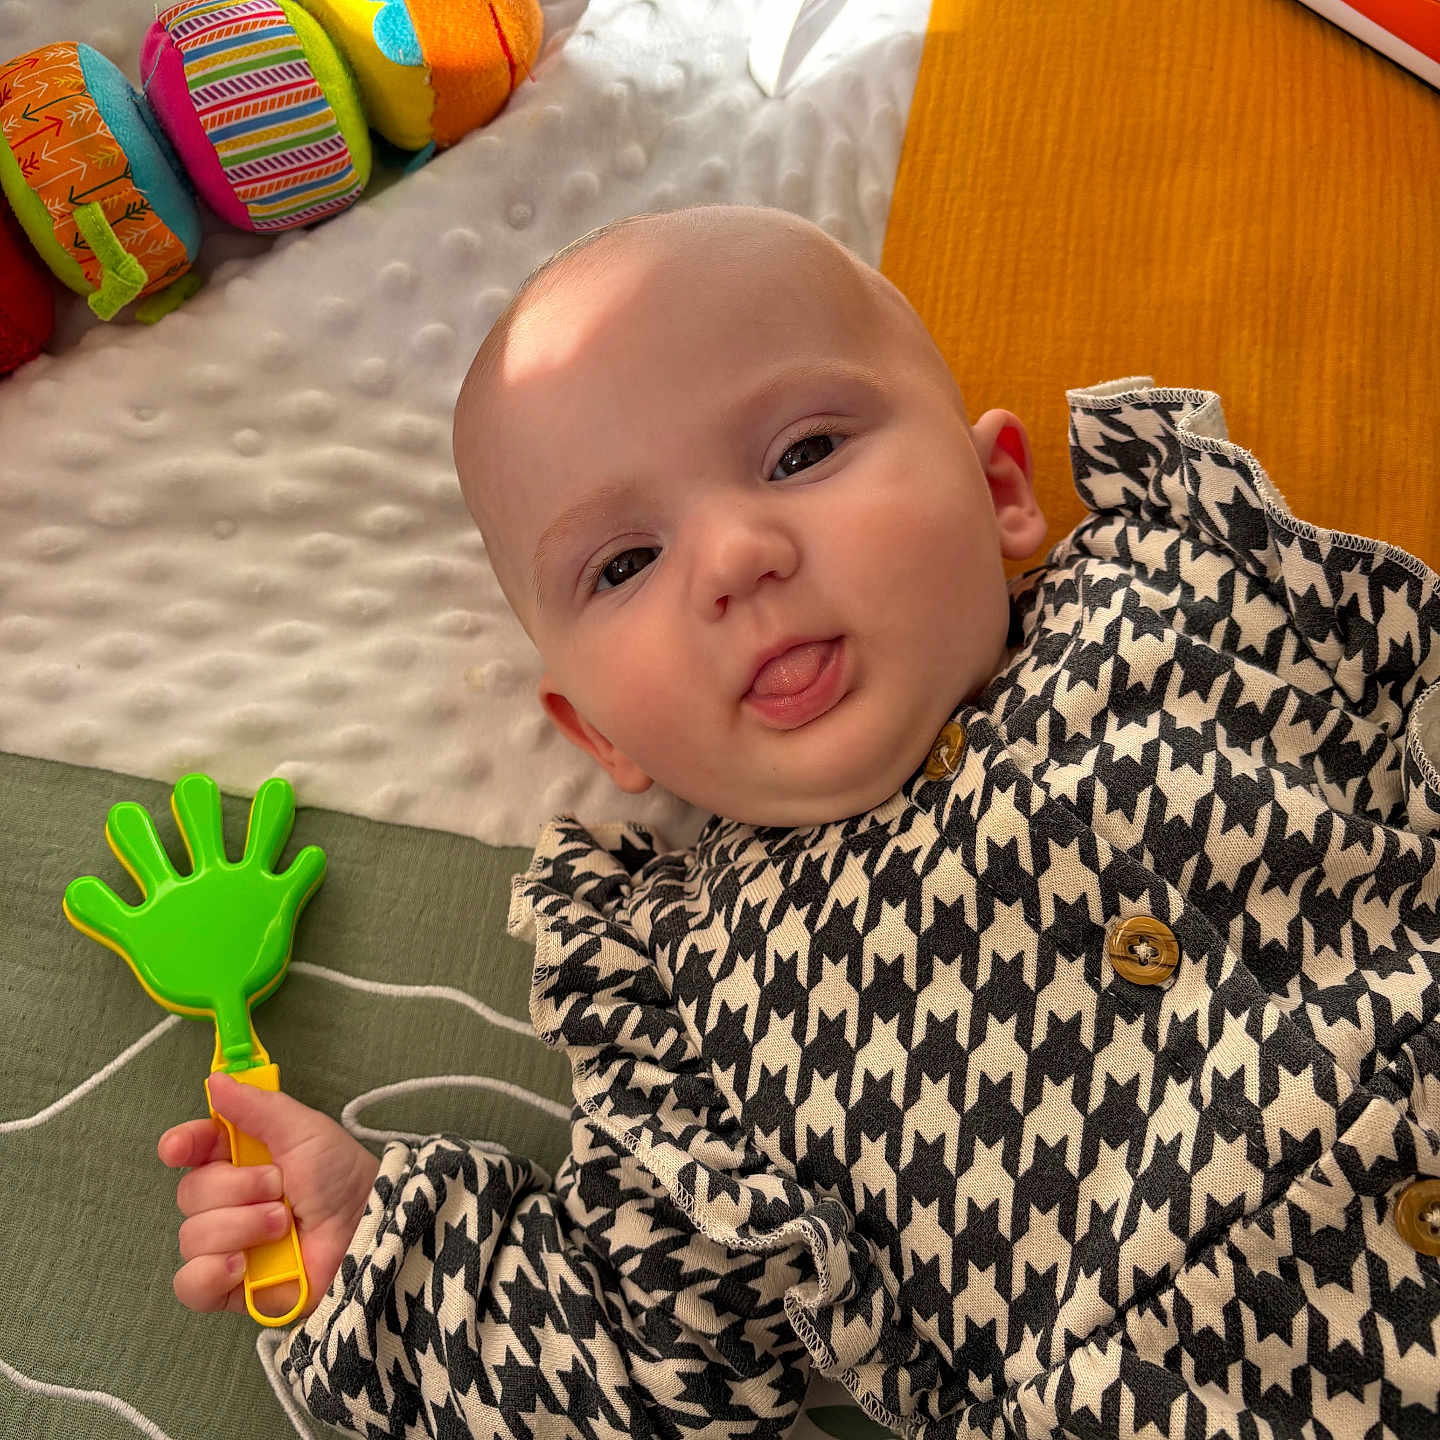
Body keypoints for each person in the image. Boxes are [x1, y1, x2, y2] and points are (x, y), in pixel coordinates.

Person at [158, 205, 1440, 1438]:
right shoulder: (689, 1001)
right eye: (623, 564)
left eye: (802, 453)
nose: (733, 556)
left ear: (1001, 490)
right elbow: (650, 1368)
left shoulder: (1183, 587)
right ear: (601, 734)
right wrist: (381, 1254)